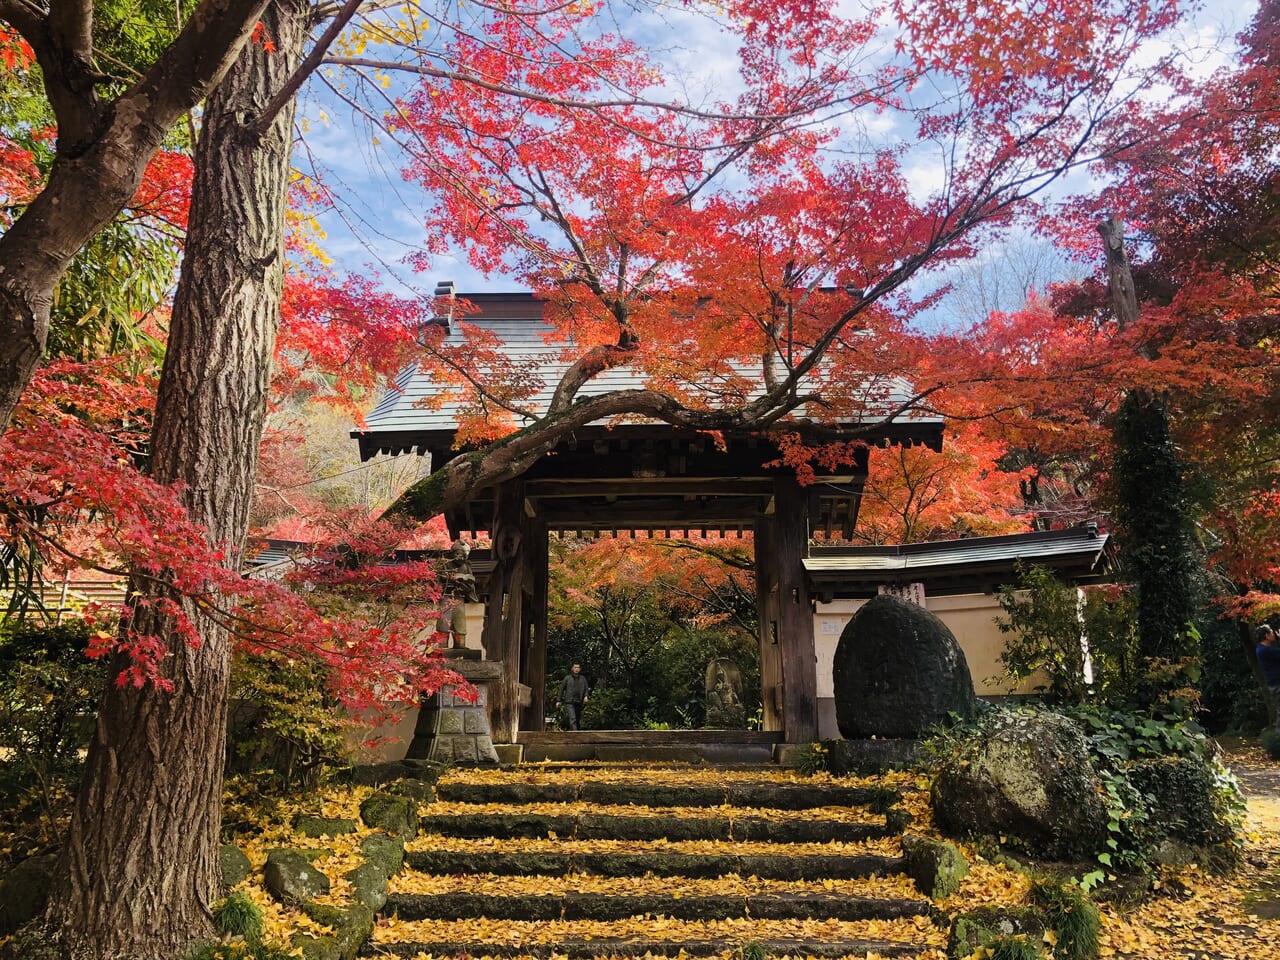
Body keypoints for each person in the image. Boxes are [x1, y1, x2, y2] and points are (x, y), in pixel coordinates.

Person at [1256, 624, 1280, 730]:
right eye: (1271, 632)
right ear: (1266, 635)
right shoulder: (1266, 650)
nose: (1273, 634)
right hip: (1277, 684)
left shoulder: (1261, 649)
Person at [556, 663, 590, 731]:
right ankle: (575, 735)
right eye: (575, 667)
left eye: (578, 667)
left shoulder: (583, 679)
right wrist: (558, 700)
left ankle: (576, 734)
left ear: (580, 669)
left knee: (577, 719)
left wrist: (586, 696)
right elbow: (561, 689)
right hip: (569, 701)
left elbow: (586, 688)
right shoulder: (567, 678)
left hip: (579, 701)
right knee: (572, 719)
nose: (576, 669)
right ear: (572, 668)